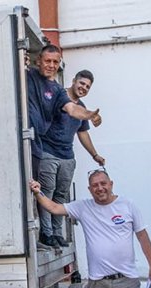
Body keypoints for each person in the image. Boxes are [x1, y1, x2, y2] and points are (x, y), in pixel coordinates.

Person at [37, 70, 106, 248]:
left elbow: (82, 134)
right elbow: (69, 110)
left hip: (67, 156)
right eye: (81, 83)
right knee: (48, 190)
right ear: (74, 81)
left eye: (87, 87)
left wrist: (95, 155)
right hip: (48, 152)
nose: (83, 88)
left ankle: (57, 233)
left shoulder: (82, 106)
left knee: (61, 194)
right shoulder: (59, 95)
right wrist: (90, 114)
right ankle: (46, 233)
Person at [25, 45, 102, 180]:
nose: (51, 65)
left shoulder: (58, 91)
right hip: (43, 150)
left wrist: (89, 115)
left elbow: (72, 110)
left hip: (49, 151)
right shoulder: (28, 73)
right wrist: (21, 59)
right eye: (47, 61)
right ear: (38, 61)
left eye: (55, 62)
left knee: (58, 197)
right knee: (44, 194)